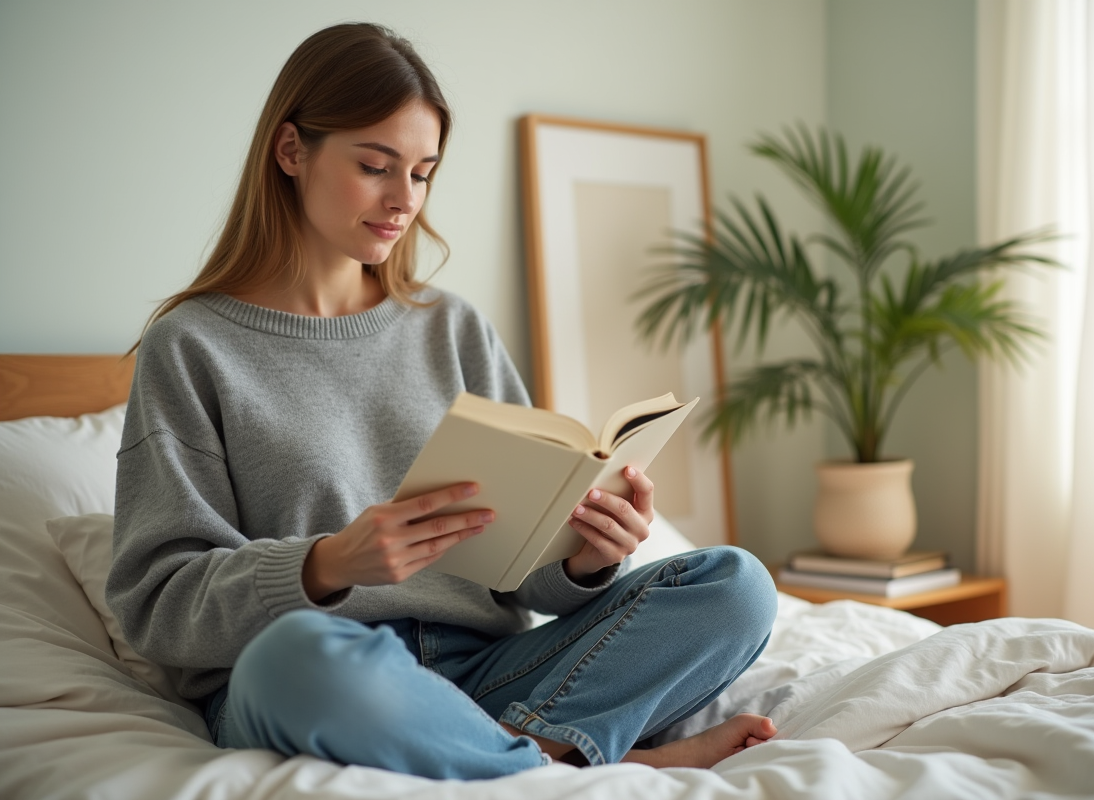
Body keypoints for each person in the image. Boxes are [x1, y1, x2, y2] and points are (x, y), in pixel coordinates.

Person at [105, 21, 778, 781]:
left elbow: (523, 577)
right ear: (291, 150)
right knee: (294, 656)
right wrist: (327, 564)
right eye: (375, 166)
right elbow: (157, 605)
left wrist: (586, 559)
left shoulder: (452, 328)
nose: (404, 200)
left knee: (736, 586)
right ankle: (584, 763)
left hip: (486, 673)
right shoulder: (192, 346)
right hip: (324, 675)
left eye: (422, 173)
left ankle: (516, 756)